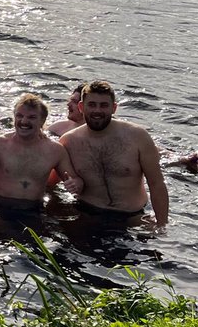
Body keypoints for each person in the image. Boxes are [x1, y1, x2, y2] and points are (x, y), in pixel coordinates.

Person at [61, 81, 170, 226]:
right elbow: (49, 179)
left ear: (114, 108)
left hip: (133, 216)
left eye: (104, 105)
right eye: (92, 105)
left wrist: (162, 225)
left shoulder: (138, 137)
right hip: (87, 212)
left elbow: (156, 184)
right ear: (81, 107)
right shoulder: (68, 141)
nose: (97, 111)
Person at [49, 82, 198, 173]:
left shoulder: (118, 132)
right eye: (70, 100)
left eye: (74, 102)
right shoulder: (59, 128)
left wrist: (181, 159)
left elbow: (155, 151)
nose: (68, 104)